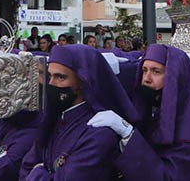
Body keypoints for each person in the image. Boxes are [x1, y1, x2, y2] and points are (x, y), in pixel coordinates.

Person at [90, 43, 190, 180]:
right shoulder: (151, 110)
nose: (146, 78)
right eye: (144, 70)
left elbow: (168, 177)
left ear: (175, 77)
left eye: (156, 72)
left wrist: (128, 135)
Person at [19, 44, 138, 179]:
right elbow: (25, 168)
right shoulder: (53, 120)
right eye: (50, 76)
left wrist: (38, 173)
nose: (51, 83)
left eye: (60, 77)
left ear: (82, 81)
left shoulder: (98, 132)